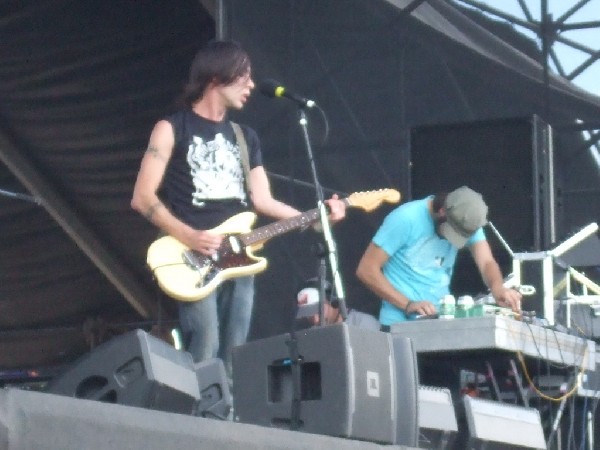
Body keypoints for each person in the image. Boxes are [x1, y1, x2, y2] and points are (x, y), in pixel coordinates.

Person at [130, 40, 346, 378]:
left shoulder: (245, 137)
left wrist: (316, 219)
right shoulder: (172, 128)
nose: (250, 85)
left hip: (240, 254)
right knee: (205, 340)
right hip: (192, 254)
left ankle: (225, 417)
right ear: (216, 76)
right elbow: (142, 197)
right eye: (244, 77)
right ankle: (192, 420)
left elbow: (263, 201)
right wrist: (189, 235)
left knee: (235, 347)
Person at [356, 186, 521, 327]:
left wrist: (497, 287)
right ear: (442, 211)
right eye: (449, 233)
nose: (450, 240)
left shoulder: (467, 219)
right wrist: (407, 304)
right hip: (399, 324)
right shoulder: (405, 218)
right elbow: (366, 270)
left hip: (440, 322)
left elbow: (486, 262)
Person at [297, 278, 381, 331]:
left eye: (319, 311)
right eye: (309, 315)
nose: (316, 320)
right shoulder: (312, 334)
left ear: (334, 302)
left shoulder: (364, 324)